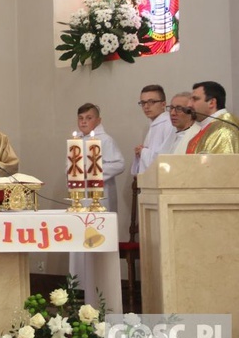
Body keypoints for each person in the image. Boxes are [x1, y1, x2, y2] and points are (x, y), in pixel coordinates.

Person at [69, 104, 125, 305]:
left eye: (89, 117)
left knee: (96, 238)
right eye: (81, 117)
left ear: (98, 120)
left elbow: (119, 164)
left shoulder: (105, 140)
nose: (84, 121)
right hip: (80, 197)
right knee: (79, 239)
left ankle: (100, 287)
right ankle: (79, 287)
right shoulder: (76, 141)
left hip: (100, 197)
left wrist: (93, 172)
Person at [186, 81, 239, 154]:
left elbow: (225, 164)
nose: (189, 105)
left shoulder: (224, 131)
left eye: (195, 99)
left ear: (212, 103)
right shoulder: (211, 126)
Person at [131, 84, 173, 175]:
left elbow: (164, 159)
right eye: (143, 103)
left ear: (163, 104)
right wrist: (140, 153)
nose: (146, 106)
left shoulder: (169, 124)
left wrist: (143, 152)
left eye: (151, 102)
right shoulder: (154, 124)